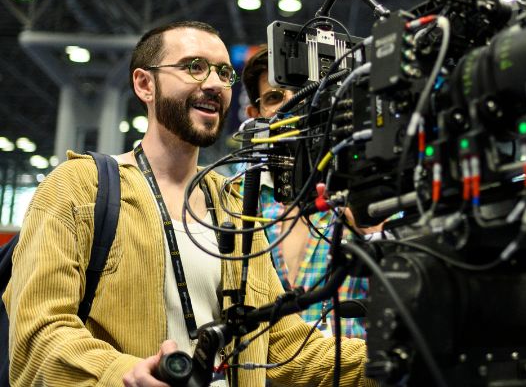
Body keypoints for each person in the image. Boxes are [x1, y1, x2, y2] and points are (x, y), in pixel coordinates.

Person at [3, 21, 373, 387]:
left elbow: (284, 347)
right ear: (145, 84)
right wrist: (120, 373)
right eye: (194, 67)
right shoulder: (79, 187)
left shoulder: (236, 209)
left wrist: (394, 358)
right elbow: (39, 333)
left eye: (224, 72)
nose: (213, 83)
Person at [241, 45, 372, 338]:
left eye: (304, 92)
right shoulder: (238, 200)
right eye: (275, 97)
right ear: (256, 114)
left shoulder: (368, 184)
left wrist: (375, 231)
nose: (295, 105)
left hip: (350, 373)